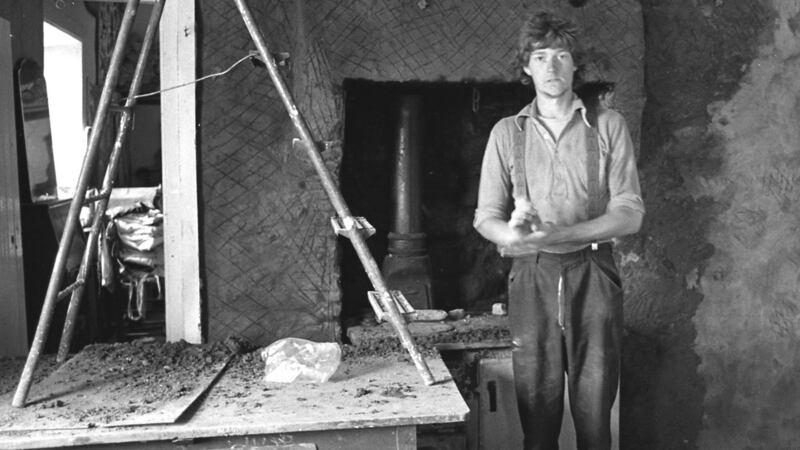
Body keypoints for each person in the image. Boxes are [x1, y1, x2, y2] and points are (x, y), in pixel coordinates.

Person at [473, 11, 645, 450]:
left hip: (593, 271)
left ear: (575, 66)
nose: (551, 67)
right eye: (540, 56)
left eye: (561, 56)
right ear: (526, 67)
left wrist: (561, 234)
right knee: (538, 412)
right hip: (531, 276)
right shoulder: (505, 133)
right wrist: (513, 236)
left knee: (594, 414)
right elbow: (485, 216)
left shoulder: (608, 126)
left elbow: (629, 213)